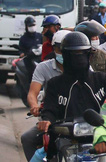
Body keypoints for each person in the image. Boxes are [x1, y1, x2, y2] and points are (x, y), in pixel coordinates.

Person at [36, 33, 106, 145]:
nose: (78, 58)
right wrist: (47, 121)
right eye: (73, 54)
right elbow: (50, 109)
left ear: (89, 55)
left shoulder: (103, 79)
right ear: (65, 56)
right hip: (65, 140)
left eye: (82, 53)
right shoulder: (54, 84)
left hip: (101, 139)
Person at [20, 30, 69, 161]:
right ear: (53, 48)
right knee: (27, 138)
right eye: (59, 48)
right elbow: (32, 92)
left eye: (67, 49)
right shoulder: (43, 68)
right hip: (51, 118)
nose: (63, 52)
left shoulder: (84, 68)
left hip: (76, 118)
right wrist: (34, 106)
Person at [75, 20, 106, 86]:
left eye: (98, 37)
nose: (97, 39)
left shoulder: (103, 55)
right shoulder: (76, 56)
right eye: (94, 37)